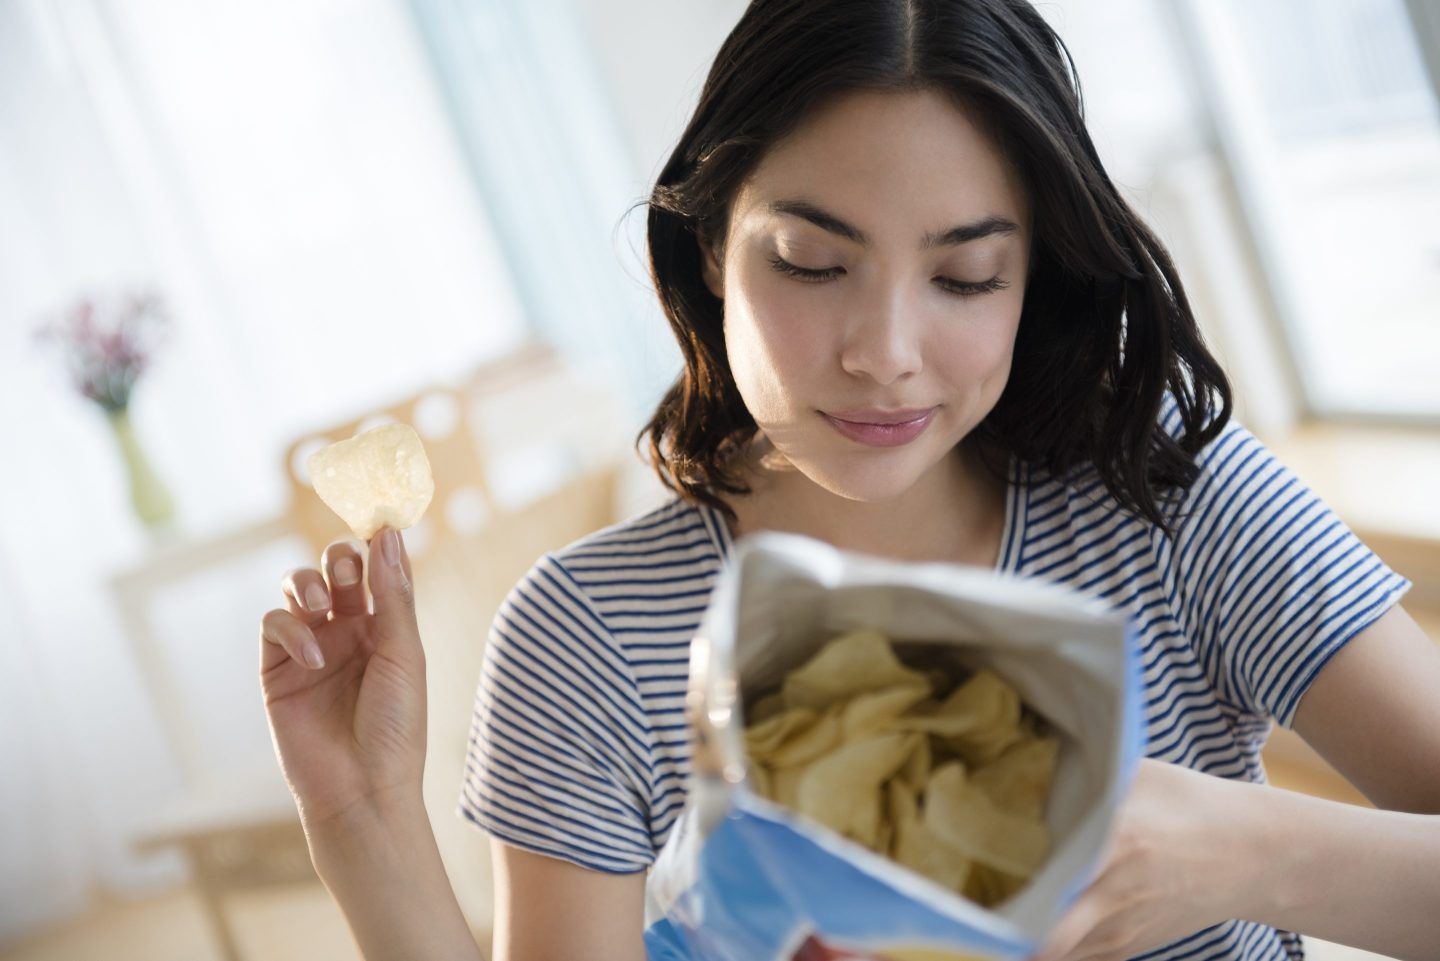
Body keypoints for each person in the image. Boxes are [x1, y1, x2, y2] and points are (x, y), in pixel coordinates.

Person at [257, 1, 1440, 959]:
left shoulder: (1166, 491)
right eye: (814, 264)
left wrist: (1246, 852)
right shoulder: (592, 637)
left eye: (967, 277)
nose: (884, 351)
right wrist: (359, 823)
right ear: (712, 246)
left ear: (1037, 279)